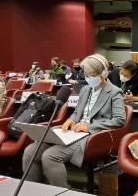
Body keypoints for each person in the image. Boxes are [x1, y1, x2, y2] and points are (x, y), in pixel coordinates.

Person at [22, 54, 126, 187]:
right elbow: (77, 112)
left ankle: (61, 195)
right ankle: (34, 190)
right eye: (86, 75)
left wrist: (89, 127)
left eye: (92, 74)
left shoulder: (114, 92)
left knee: (50, 156)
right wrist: (70, 120)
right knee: (31, 151)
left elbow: (119, 120)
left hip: (91, 136)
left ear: (104, 73)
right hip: (73, 132)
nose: (88, 78)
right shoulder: (85, 90)